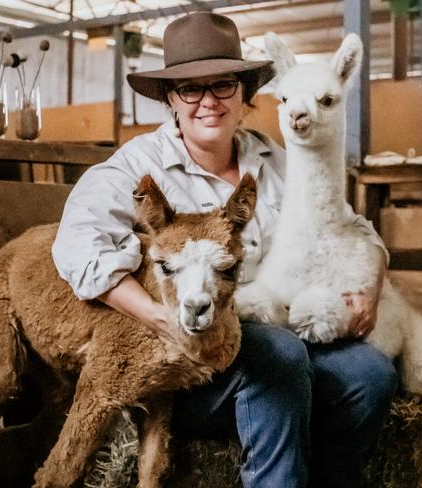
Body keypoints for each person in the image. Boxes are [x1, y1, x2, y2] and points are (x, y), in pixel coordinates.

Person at [52, 11, 397, 488]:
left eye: (222, 86)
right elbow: (77, 242)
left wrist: (372, 280)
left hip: (271, 322)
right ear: (172, 99)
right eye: (191, 89)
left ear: (243, 94)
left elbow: (352, 225)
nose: (208, 102)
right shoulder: (139, 164)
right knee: (280, 353)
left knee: (369, 372)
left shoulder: (275, 161)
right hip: (189, 351)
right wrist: (158, 317)